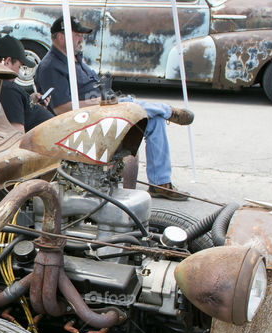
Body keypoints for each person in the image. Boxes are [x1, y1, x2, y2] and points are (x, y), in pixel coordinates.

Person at [35, 16, 193, 200]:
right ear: (60, 37)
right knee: (134, 105)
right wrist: (102, 103)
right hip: (85, 121)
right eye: (77, 34)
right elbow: (62, 109)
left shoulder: (75, 60)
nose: (81, 39)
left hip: (102, 111)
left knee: (154, 120)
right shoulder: (50, 67)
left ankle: (160, 182)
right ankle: (168, 111)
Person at [0, 36, 55, 133]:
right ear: (7, 62)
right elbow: (17, 133)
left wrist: (30, 101)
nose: (18, 73)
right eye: (19, 67)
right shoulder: (8, 90)